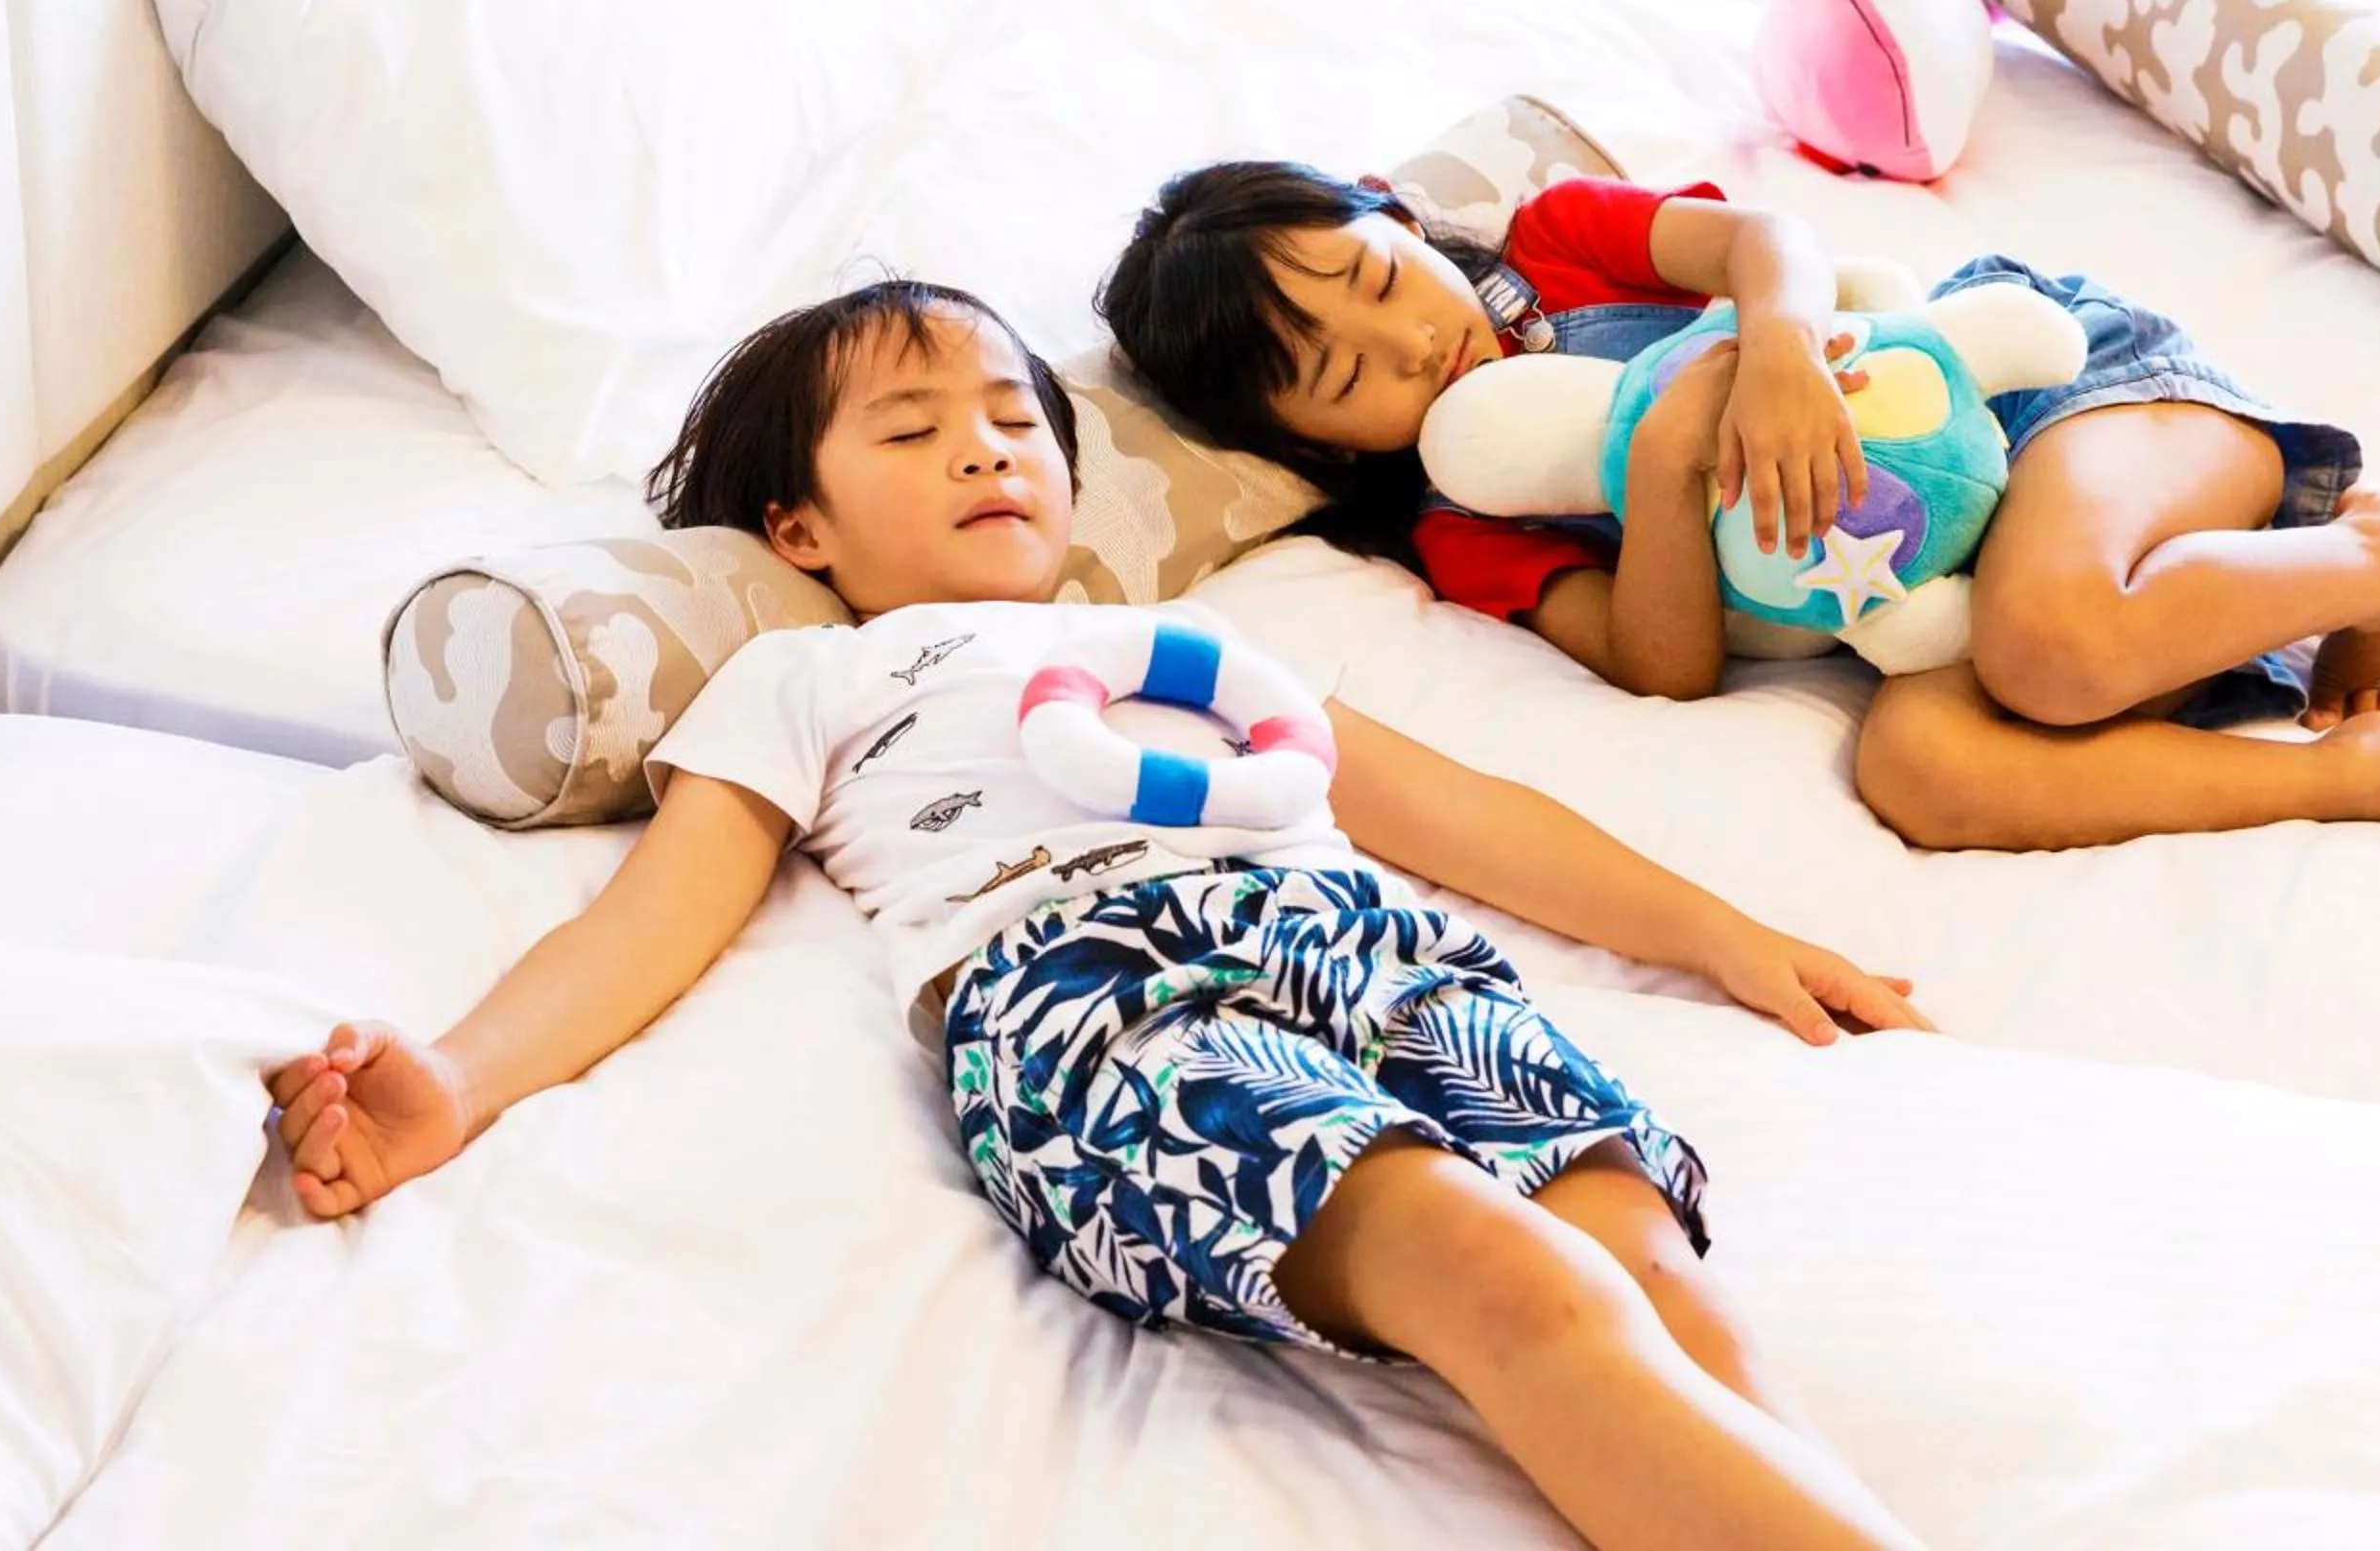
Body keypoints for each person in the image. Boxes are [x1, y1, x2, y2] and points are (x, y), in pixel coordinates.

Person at [266, 278, 1931, 1551]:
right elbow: (646, 921)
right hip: (1098, 1003)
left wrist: (1729, 935)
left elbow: (1472, 824)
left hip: (1366, 948)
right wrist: (460, 1085)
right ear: (798, 531)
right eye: (912, 435)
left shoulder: (1202, 655)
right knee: (1505, 1278)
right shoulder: (817, 672)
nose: (985, 447)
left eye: (1012, 420)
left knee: (1639, 1254)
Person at [1098, 162, 2380, 861]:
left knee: (2051, 644)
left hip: (2051, 399)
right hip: (1930, 580)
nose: (1410, 348)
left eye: (1379, 286)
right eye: (1340, 379)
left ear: (1401, 220)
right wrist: (1676, 458)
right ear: (1296, 444)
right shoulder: (1462, 517)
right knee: (1927, 772)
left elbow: (1773, 236)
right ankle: (2358, 779)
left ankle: (2368, 558)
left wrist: (1771, 355)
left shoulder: (1561, 239)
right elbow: (1660, 664)